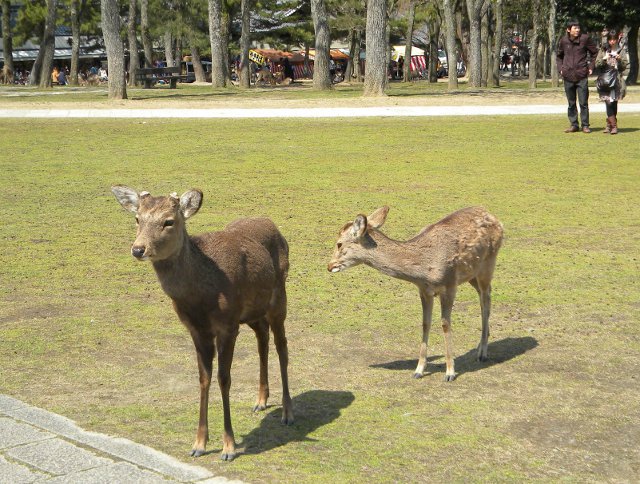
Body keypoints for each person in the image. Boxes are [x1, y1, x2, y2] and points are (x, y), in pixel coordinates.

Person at [556, 19, 598, 133]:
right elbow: (559, 56)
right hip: (568, 76)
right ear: (568, 30)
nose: (577, 30)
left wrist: (590, 66)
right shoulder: (563, 41)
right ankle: (574, 124)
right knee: (571, 103)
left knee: (583, 102)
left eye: (578, 28)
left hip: (581, 75)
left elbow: (595, 52)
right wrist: (561, 69)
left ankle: (585, 125)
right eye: (575, 28)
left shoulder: (585, 39)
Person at [595, 31, 629, 135]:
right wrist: (604, 59)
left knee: (614, 103)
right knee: (608, 103)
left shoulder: (621, 50)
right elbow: (597, 64)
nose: (612, 42)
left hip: (616, 81)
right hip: (605, 80)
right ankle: (614, 126)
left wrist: (619, 60)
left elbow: (624, 66)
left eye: (614, 39)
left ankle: (609, 124)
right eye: (610, 39)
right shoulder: (603, 49)